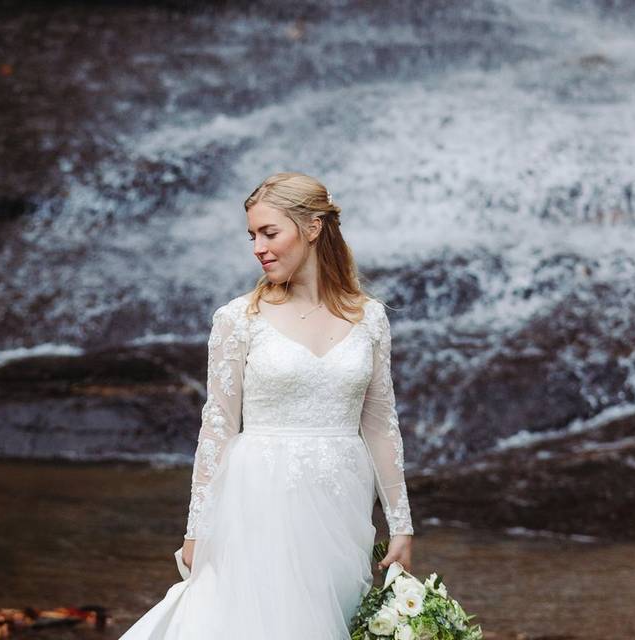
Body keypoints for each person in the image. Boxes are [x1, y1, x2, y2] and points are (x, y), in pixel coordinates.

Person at [118, 172, 414, 640]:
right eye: (252, 235)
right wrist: (196, 530)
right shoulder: (238, 318)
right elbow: (216, 427)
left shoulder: (370, 317)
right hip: (257, 496)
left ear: (313, 228)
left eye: (269, 232)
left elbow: (381, 423)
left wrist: (401, 524)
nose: (258, 246)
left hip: (342, 500)